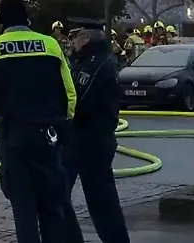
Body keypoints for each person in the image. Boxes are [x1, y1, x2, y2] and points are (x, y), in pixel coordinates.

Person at [0, 0, 83, 243]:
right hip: (48, 135)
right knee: (53, 207)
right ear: (27, 17)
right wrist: (62, 123)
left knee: (23, 212)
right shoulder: (50, 45)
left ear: (2, 20)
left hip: (13, 135)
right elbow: (69, 92)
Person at [63, 19, 131, 243]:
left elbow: (80, 102)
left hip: (90, 140)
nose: (72, 41)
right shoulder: (86, 61)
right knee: (61, 195)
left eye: (76, 35)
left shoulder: (97, 64)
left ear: (87, 38)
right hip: (80, 139)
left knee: (101, 201)